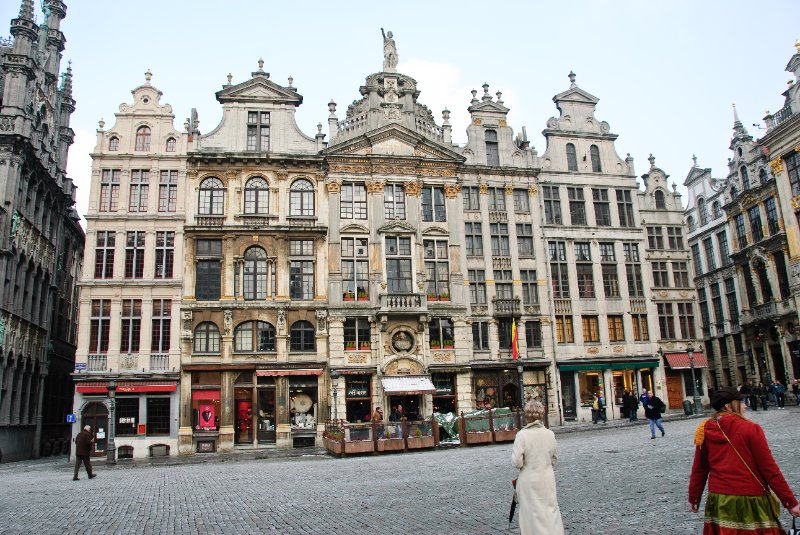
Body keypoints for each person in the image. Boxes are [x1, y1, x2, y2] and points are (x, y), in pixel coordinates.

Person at [688, 386, 800, 533]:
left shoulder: (704, 430)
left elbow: (700, 468)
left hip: (720, 499)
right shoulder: (750, 428)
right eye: (740, 403)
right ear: (729, 406)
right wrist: (790, 502)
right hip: (750, 498)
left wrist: (694, 497)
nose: (745, 406)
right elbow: (769, 469)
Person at [511, 400, 565, 535]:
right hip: (546, 478)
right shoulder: (549, 434)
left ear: (526, 415)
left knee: (530, 514)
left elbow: (517, 462)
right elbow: (554, 459)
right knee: (550, 511)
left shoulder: (522, 435)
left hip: (529, 479)